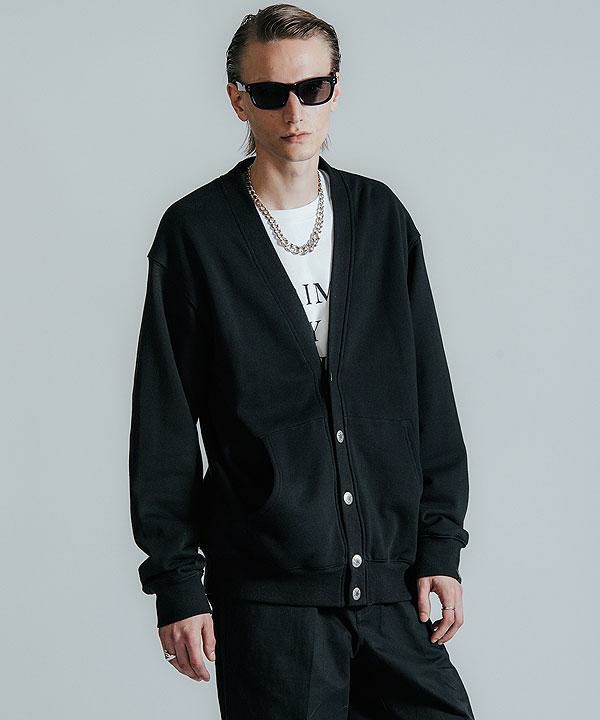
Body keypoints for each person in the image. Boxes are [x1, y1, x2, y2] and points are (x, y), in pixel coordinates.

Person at [129, 4, 476, 718]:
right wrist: (178, 582)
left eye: (312, 89)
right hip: (269, 606)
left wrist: (440, 547)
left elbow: (429, 396)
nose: (295, 112)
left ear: (335, 91)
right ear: (238, 100)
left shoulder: (380, 220)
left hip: (392, 592)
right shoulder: (197, 235)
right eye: (270, 93)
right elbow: (163, 424)